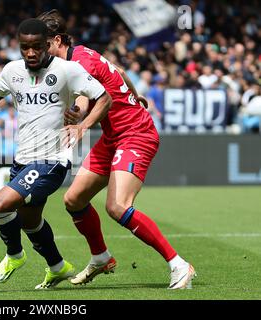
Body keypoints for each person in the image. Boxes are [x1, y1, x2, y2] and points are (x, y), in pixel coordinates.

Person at [0, 18, 111, 289]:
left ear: (47, 45)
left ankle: (14, 255)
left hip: (52, 160)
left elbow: (104, 97)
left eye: (37, 47)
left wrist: (83, 125)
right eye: (25, 47)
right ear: (19, 46)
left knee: (0, 204)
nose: (31, 53)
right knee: (30, 219)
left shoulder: (67, 70)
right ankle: (58, 267)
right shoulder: (12, 71)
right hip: (23, 158)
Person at [38, 10, 196, 289]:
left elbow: (92, 99)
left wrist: (82, 121)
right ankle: (101, 257)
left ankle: (179, 265)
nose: (39, 51)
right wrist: (134, 95)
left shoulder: (78, 62)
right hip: (113, 137)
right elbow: (119, 73)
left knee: (117, 206)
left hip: (136, 134)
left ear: (57, 40)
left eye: (43, 44)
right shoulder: (80, 54)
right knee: (74, 200)